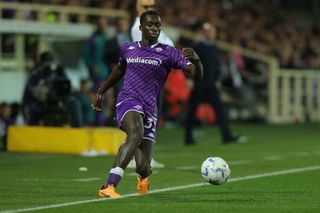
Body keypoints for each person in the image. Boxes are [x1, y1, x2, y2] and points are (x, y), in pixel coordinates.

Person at [92, 10, 203, 198]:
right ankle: (108, 186)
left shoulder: (168, 52)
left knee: (144, 167)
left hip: (150, 108)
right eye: (150, 25)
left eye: (157, 25)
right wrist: (101, 91)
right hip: (128, 99)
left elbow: (196, 75)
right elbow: (119, 71)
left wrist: (197, 60)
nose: (154, 28)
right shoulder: (128, 48)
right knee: (135, 133)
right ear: (141, 27)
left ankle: (142, 177)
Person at [128, 0, 174, 169]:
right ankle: (138, 158)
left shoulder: (153, 26)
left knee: (151, 120)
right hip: (144, 82)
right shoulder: (136, 28)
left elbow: (169, 47)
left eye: (151, 6)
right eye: (144, 7)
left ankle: (145, 157)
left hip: (155, 80)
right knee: (144, 120)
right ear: (136, 7)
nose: (148, 10)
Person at [184, 22, 247, 145]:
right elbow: (189, 63)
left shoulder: (213, 47)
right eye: (209, 31)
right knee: (192, 111)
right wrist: (189, 78)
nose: (211, 34)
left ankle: (226, 136)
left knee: (220, 110)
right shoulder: (197, 46)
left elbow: (216, 66)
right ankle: (188, 138)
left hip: (211, 84)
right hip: (199, 83)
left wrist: (217, 78)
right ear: (204, 33)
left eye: (213, 31)